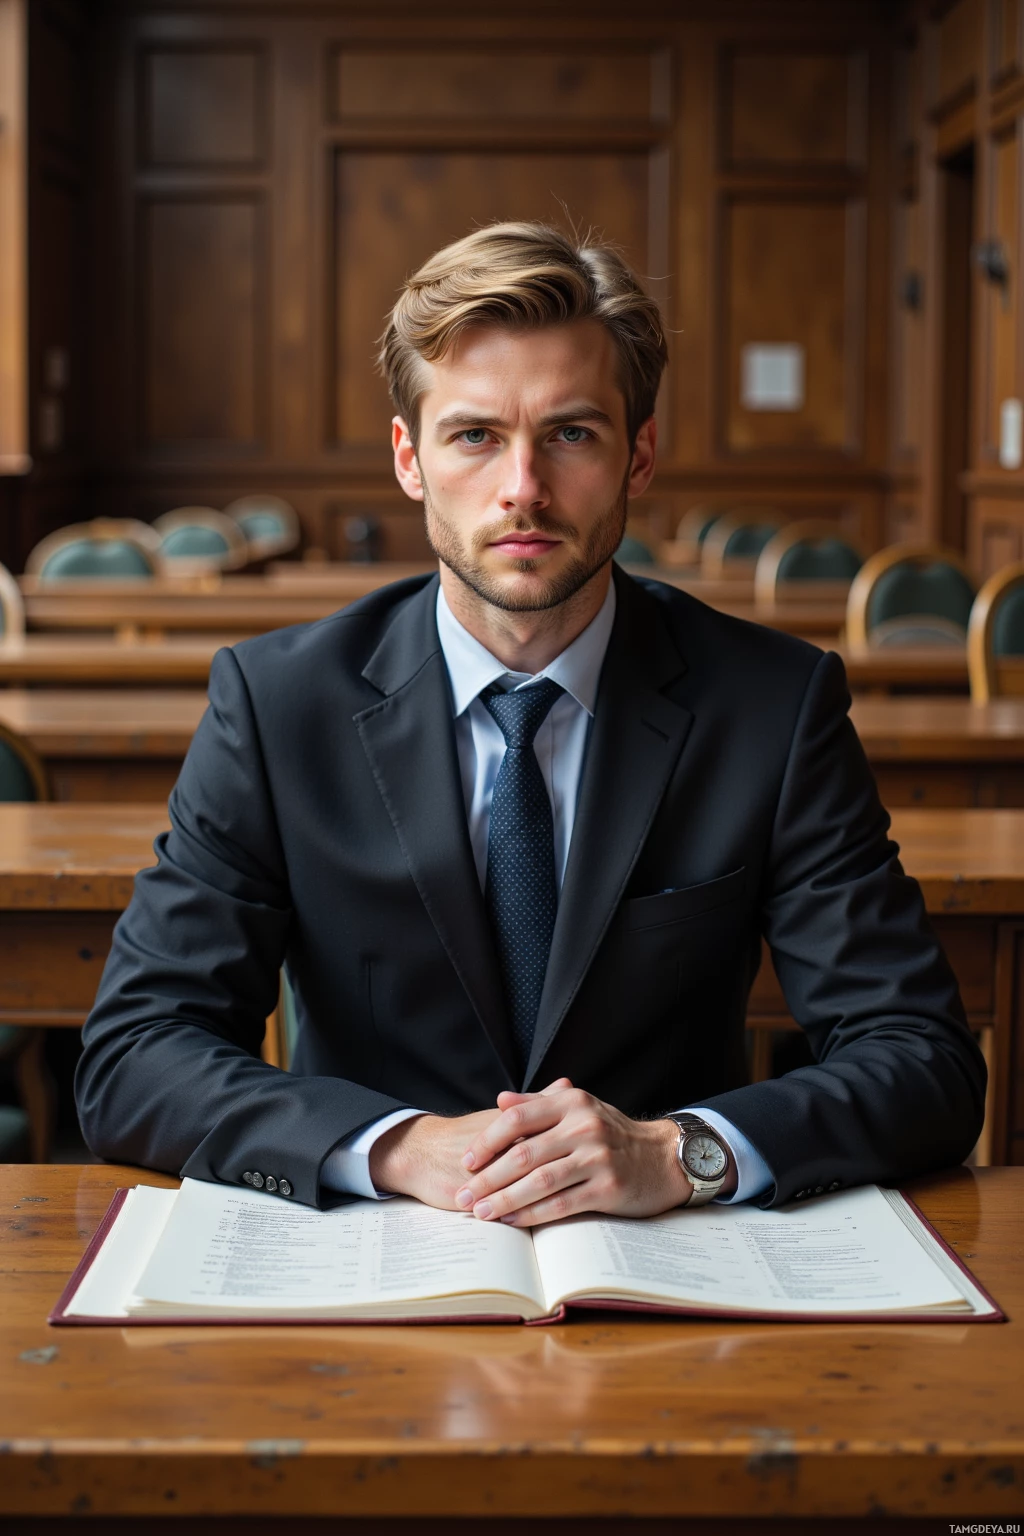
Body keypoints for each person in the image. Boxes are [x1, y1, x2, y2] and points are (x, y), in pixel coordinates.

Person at [76, 221, 986, 1225]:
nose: (522, 489)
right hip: (366, 1275)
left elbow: (923, 1058)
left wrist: (679, 1152)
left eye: (571, 433)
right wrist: (395, 1148)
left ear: (638, 455)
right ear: (409, 459)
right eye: (473, 436)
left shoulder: (772, 705)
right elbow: (135, 1055)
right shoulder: (276, 703)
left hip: (670, 1271)